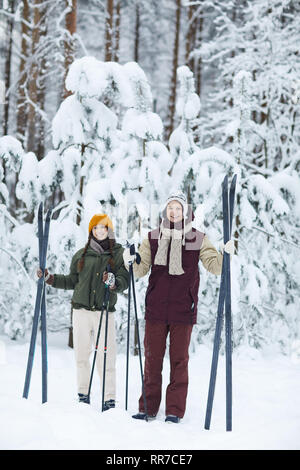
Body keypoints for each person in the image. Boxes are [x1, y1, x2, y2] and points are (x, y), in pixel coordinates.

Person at [123, 193, 234, 423]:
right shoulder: (152, 238)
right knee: (152, 359)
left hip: (183, 308)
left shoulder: (197, 238)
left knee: (179, 361)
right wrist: (130, 261)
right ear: (165, 211)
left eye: (178, 208)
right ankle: (148, 407)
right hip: (155, 308)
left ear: (185, 211)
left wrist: (226, 254)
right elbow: (140, 270)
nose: (174, 212)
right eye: (170, 208)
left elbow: (215, 266)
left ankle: (174, 410)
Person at [37, 213, 129, 409]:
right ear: (91, 231)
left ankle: (109, 398)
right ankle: (83, 394)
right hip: (80, 311)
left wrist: (113, 282)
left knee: (107, 357)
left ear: (109, 230)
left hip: (104, 312)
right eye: (95, 228)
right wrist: (50, 278)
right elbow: (72, 281)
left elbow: (124, 281)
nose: (99, 231)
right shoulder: (81, 254)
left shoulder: (118, 255)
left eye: (103, 227)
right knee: (81, 355)